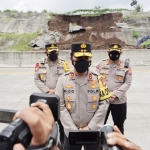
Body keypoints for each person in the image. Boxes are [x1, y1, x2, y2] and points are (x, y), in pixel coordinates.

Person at [55, 42, 110, 150]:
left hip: (93, 131)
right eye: (79, 58)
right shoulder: (63, 80)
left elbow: (104, 104)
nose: (82, 61)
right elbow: (60, 105)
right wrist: (72, 129)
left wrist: (90, 127)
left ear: (90, 59)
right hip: (71, 131)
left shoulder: (99, 79)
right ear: (71, 58)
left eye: (86, 58)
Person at [34, 43, 70, 149]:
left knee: (62, 124)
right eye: (51, 52)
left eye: (55, 52)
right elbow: (36, 79)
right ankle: (48, 145)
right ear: (46, 53)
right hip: (45, 98)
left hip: (60, 98)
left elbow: (67, 79)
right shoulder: (40, 64)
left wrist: (55, 91)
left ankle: (63, 145)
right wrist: (46, 90)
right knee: (46, 123)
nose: (54, 54)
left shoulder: (64, 64)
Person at [95, 43, 132, 134]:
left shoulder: (126, 66)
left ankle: (119, 147)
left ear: (121, 53)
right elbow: (96, 80)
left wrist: (114, 94)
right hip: (103, 101)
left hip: (119, 101)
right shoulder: (101, 64)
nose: (114, 54)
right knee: (99, 125)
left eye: (116, 52)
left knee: (119, 126)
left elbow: (127, 83)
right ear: (108, 52)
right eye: (112, 52)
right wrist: (107, 94)